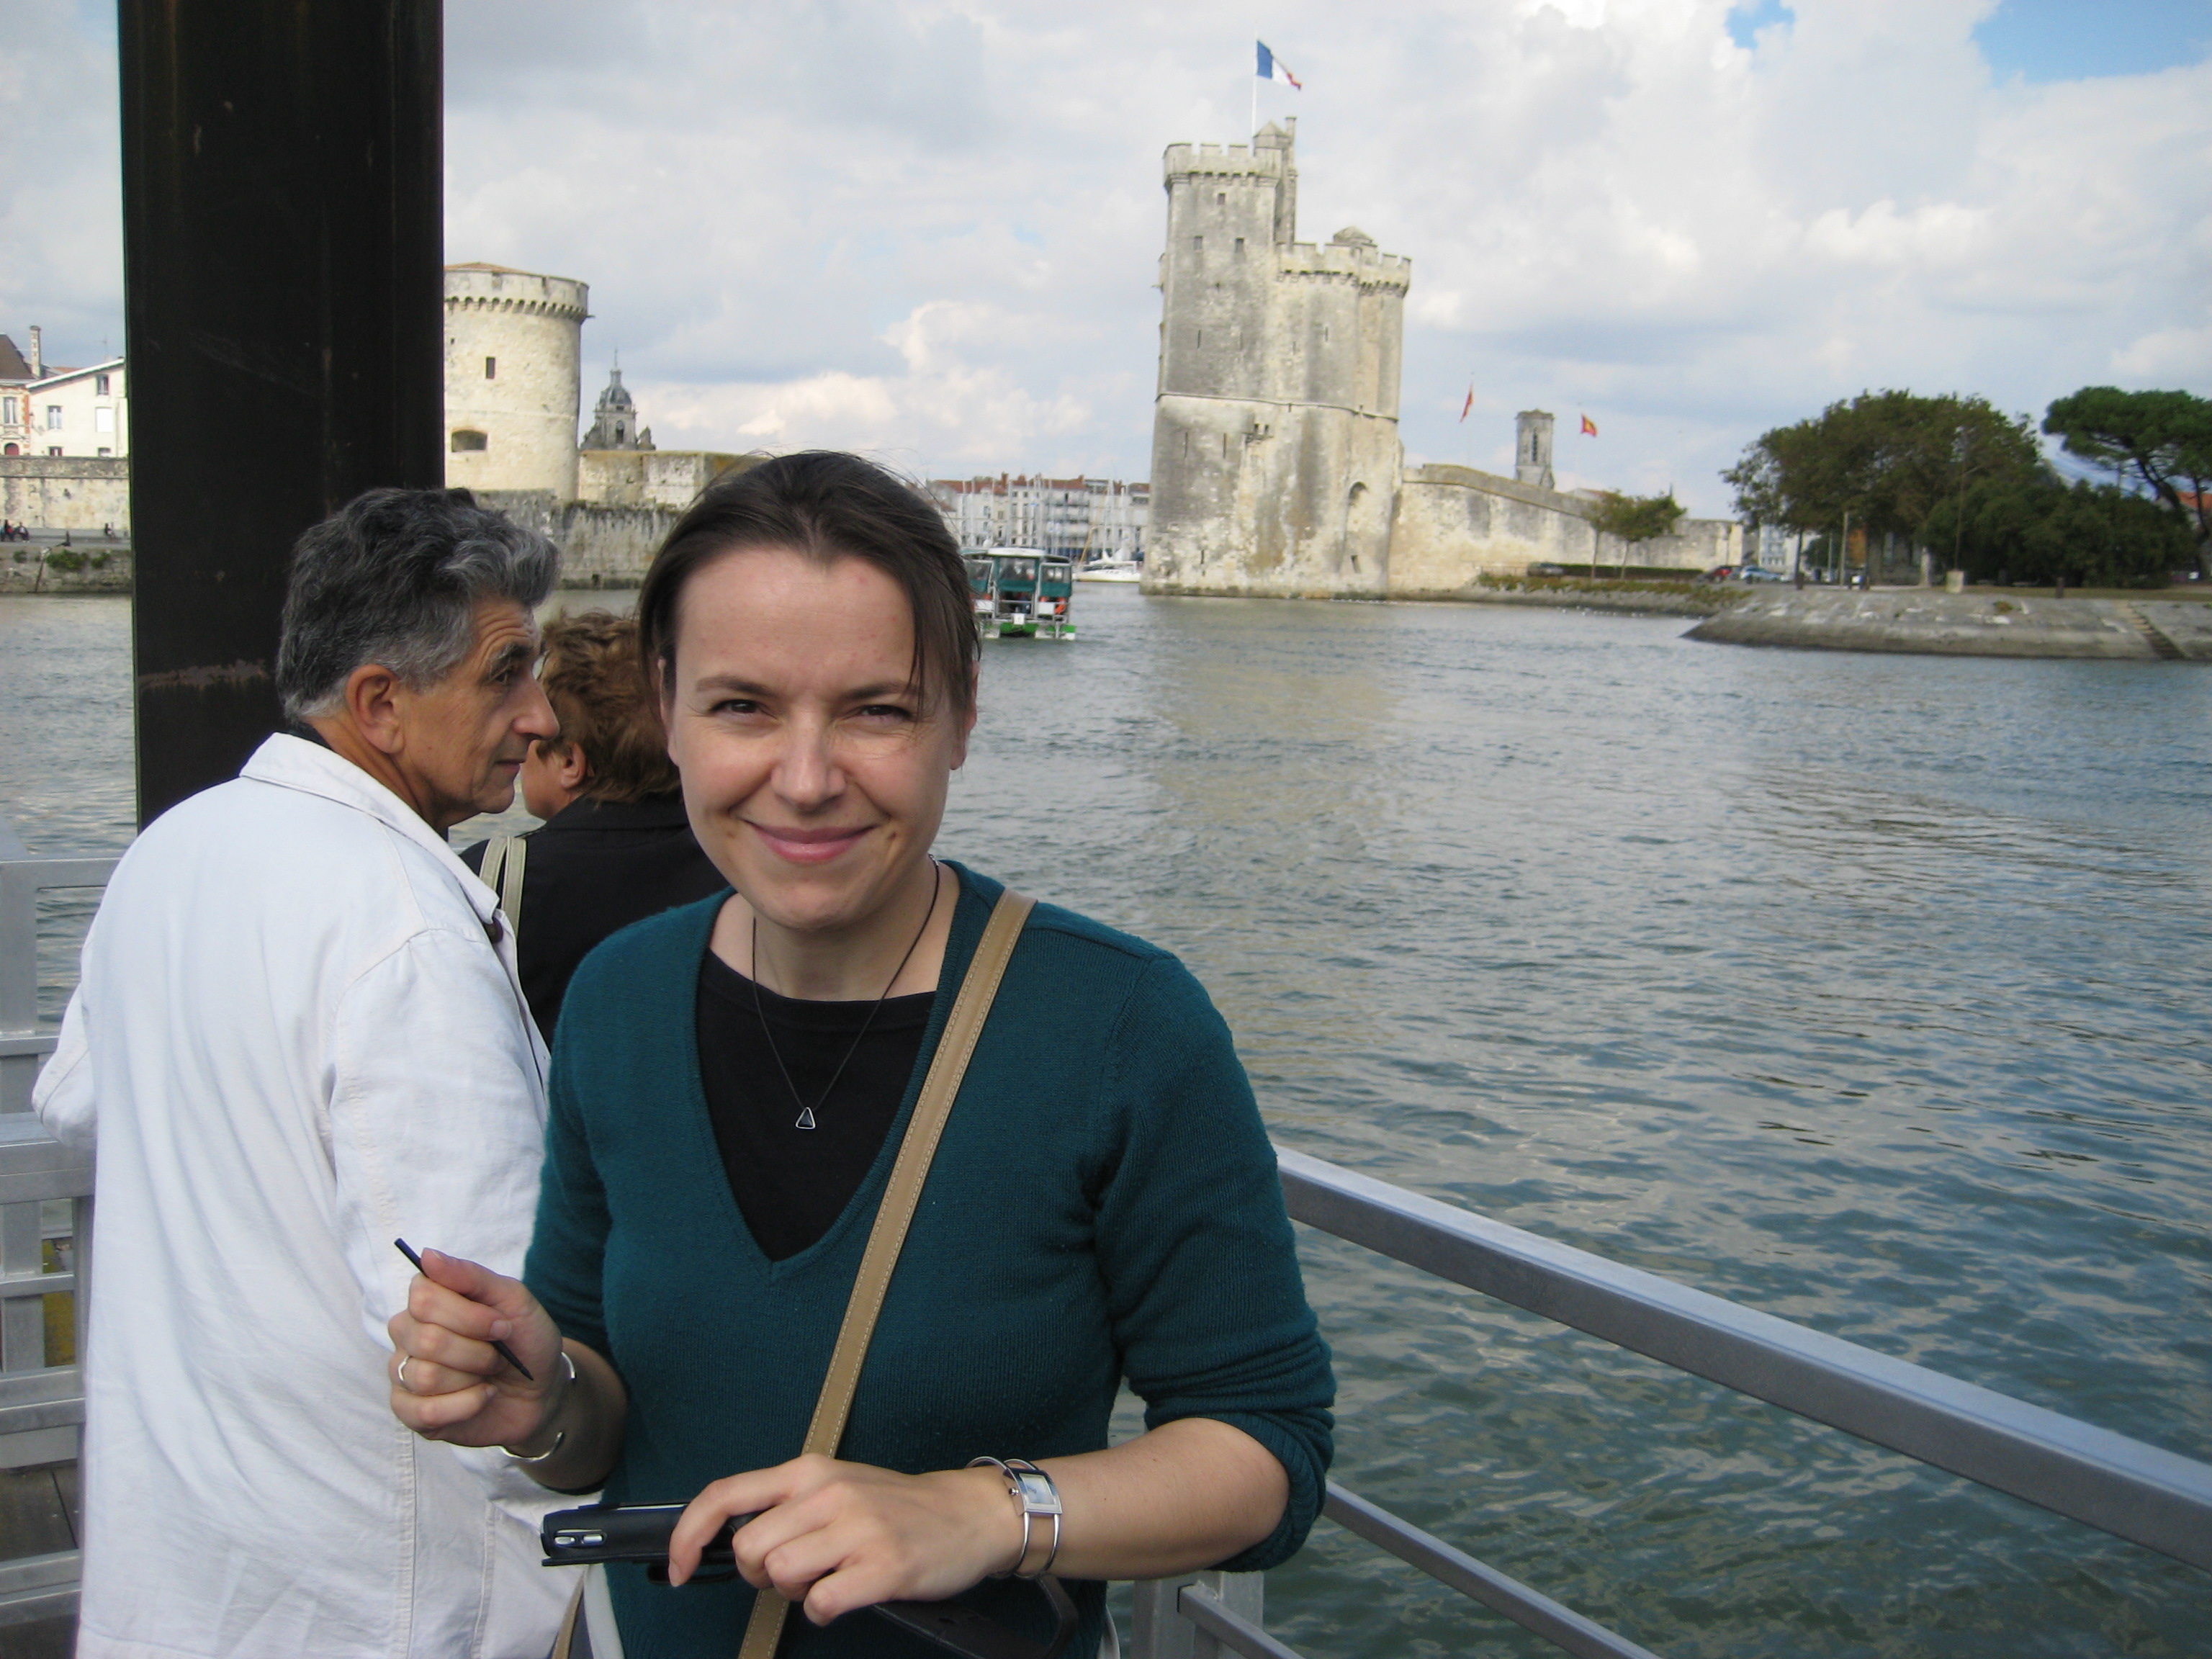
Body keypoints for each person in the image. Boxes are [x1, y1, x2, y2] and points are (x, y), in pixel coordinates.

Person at [388, 452, 1335, 1658]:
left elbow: (1267, 1449)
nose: (805, 780)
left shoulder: (1121, 1025)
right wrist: (543, 1400)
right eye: (742, 707)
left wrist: (982, 1513)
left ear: (963, 717)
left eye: (876, 710)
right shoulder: (620, 997)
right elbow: (600, 1411)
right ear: (668, 710)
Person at [35, 487, 577, 1659]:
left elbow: (73, 1105)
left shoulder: (170, 850)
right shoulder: (406, 930)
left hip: (179, 1558)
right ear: (380, 702)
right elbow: (484, 1329)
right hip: (371, 1591)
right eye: (505, 674)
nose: (539, 716)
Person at [461, 610, 727, 1040]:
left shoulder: (495, 877)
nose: (525, 742)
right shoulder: (735, 865)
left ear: (570, 761)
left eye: (537, 734)